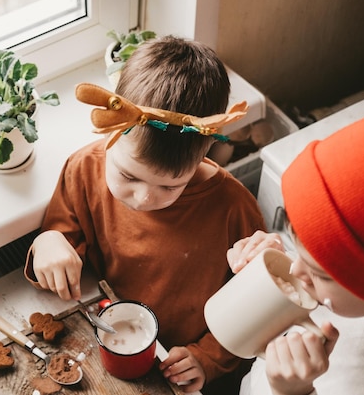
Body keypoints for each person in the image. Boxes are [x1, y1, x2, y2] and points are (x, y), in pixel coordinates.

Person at [24, 35, 266, 394]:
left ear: (204, 153)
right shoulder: (84, 170)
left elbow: (253, 309)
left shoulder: (234, 210)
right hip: (109, 342)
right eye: (127, 175)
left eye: (170, 187)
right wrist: (47, 241)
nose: (143, 197)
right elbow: (64, 235)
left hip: (184, 369)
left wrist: (208, 357)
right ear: (109, 130)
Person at [226, 111, 364, 395]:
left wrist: (295, 392)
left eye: (319, 273)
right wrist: (266, 270)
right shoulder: (350, 295)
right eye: (300, 252)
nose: (295, 270)